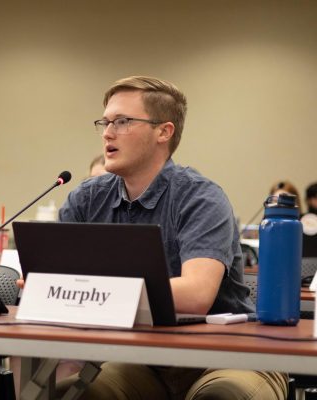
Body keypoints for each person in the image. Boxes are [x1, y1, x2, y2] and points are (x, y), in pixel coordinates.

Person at [56, 76, 287, 399]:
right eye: (105, 122)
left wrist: (94, 291)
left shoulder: (201, 198)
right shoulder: (86, 200)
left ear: (164, 131)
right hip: (143, 357)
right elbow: (53, 282)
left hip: (227, 355)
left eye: (122, 122)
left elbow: (195, 294)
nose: (107, 133)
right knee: (77, 393)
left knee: (224, 395)